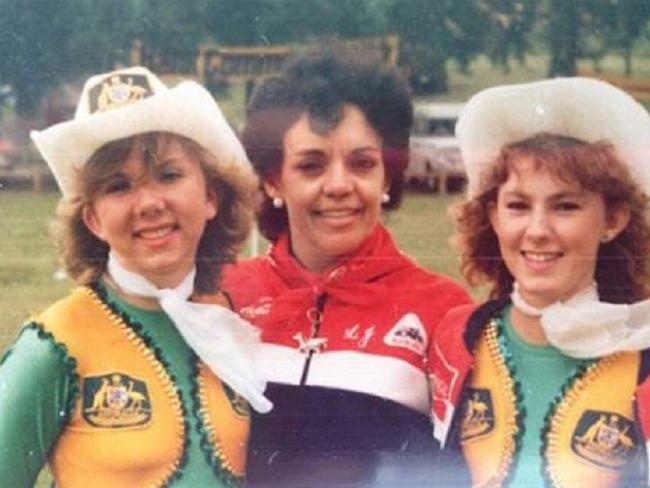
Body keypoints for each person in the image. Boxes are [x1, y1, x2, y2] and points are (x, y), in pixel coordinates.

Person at [0, 66, 271, 487]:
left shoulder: (234, 326)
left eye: (169, 175)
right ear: (93, 219)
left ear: (210, 197)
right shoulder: (51, 347)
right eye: (118, 186)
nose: (148, 203)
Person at [221, 53, 472, 487]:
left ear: (387, 176)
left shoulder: (445, 311)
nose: (339, 185)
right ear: (273, 180)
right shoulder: (221, 296)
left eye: (361, 163)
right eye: (311, 165)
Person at [429, 77, 650, 487]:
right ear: (493, 216)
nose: (537, 230)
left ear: (613, 221)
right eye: (517, 206)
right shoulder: (455, 339)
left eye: (565, 206)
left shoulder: (642, 357)